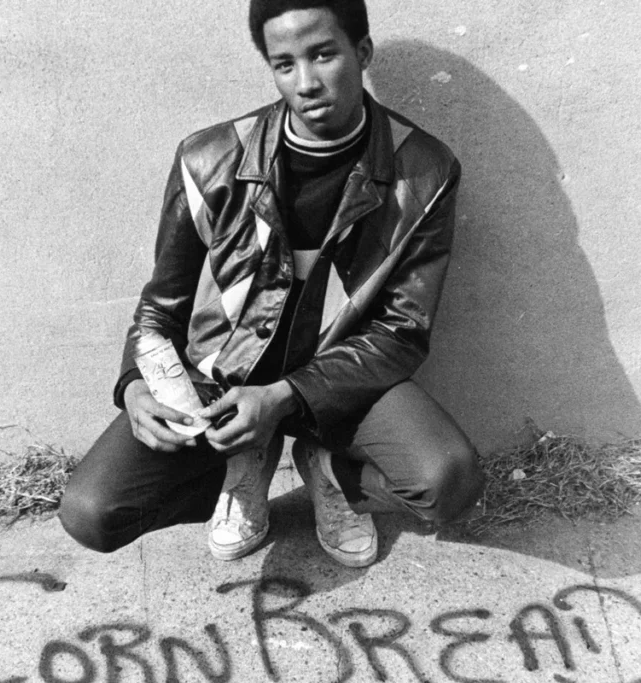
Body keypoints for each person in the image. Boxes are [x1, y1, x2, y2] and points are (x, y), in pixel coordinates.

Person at [59, 0, 485, 568]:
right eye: (285, 64)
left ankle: (327, 468)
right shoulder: (209, 158)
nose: (305, 82)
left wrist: (284, 397)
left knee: (449, 482)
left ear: (361, 53)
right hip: (225, 379)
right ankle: (242, 467)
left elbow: (402, 331)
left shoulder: (425, 170)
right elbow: (161, 306)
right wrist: (136, 386)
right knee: (91, 513)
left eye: (323, 55)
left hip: (342, 381)